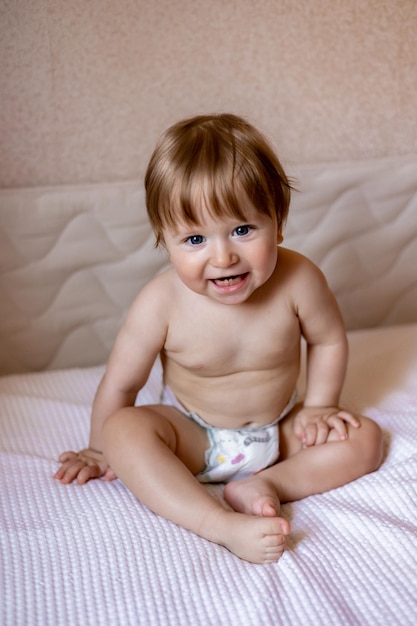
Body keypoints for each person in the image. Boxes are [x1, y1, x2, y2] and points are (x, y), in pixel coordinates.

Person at [54, 113, 383, 564]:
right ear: (164, 241)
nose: (223, 255)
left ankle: (268, 484)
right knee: (123, 430)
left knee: (365, 437)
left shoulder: (300, 279)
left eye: (243, 230)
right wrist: (98, 448)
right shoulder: (159, 303)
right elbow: (122, 385)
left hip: (281, 430)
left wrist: (320, 406)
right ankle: (218, 523)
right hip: (195, 437)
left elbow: (327, 340)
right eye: (194, 238)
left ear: (278, 221)